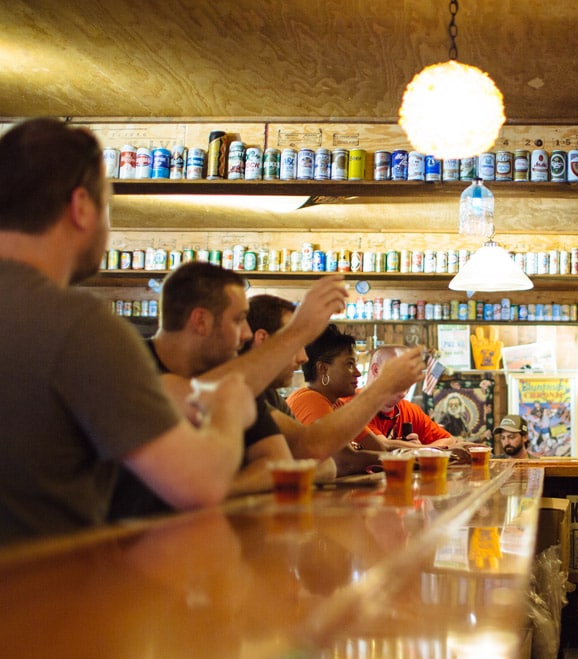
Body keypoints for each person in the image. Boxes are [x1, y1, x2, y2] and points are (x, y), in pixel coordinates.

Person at [0, 118, 256, 544]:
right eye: (107, 207)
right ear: (80, 207)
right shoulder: (77, 324)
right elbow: (198, 482)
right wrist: (229, 408)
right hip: (39, 600)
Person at [110, 262, 297, 518]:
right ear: (201, 321)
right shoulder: (127, 364)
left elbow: (278, 461)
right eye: (239, 319)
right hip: (118, 545)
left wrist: (220, 491)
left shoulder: (231, 374)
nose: (247, 333)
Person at [244, 295, 427, 476]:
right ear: (323, 369)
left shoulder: (269, 396)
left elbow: (370, 449)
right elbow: (333, 460)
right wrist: (383, 386)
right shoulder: (308, 399)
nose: (302, 358)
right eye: (349, 364)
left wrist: (418, 455)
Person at [359, 345, 460, 448]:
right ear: (376, 370)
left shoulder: (410, 410)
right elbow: (381, 445)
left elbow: (449, 440)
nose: (407, 380)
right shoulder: (351, 406)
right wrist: (417, 450)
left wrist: (417, 449)